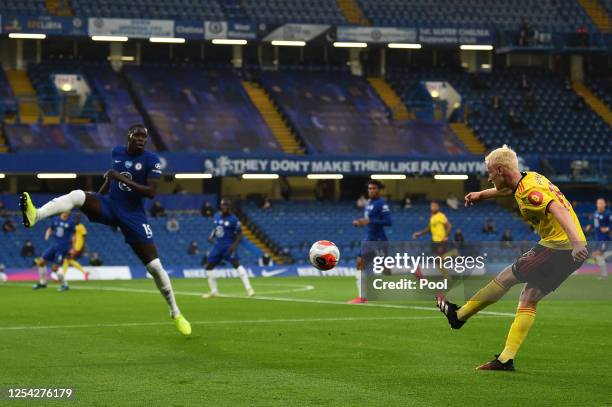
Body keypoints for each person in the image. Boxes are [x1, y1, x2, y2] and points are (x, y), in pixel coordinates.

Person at [19, 124, 191, 336]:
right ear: (129, 136)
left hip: (133, 217)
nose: (141, 139)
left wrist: (119, 177)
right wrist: (98, 196)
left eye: (144, 136)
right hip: (110, 204)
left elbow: (151, 192)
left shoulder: (151, 160)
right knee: (77, 195)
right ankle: (36, 215)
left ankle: (175, 311)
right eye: (137, 135)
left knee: (154, 267)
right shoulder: (117, 152)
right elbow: (111, 181)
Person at [436, 144, 588, 371]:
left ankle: (459, 316)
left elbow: (559, 209)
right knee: (529, 297)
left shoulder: (529, 192)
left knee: (506, 277)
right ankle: (506, 359)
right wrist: (481, 195)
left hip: (558, 247)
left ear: (499, 170)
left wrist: (576, 244)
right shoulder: (531, 178)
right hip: (568, 251)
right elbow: (509, 190)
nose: (488, 178)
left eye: (489, 172)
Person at [349, 180, 392, 304]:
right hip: (369, 240)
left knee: (385, 270)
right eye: (369, 188)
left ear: (378, 190)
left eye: (373, 188)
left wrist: (370, 221)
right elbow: (369, 220)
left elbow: (388, 222)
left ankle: (413, 270)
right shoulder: (368, 203)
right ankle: (363, 296)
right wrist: (360, 222)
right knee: (361, 264)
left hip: (378, 241)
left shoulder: (381, 203)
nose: (371, 190)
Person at [203, 199, 254, 298]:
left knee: (237, 265)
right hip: (218, 246)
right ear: (221, 206)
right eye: (223, 205)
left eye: (226, 205)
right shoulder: (217, 216)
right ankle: (214, 291)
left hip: (228, 246)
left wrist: (234, 245)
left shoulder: (233, 219)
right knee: (209, 267)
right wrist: (211, 235)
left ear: (229, 206)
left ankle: (249, 289)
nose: (224, 206)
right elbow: (217, 228)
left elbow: (240, 233)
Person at [33, 211, 75, 292]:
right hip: (54, 246)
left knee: (54, 268)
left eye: (69, 211)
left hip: (63, 247)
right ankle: (42, 283)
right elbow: (50, 228)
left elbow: (74, 235)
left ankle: (64, 285)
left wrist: (72, 248)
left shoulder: (70, 222)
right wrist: (47, 234)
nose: (67, 212)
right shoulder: (55, 219)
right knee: (41, 262)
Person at [586, 198, 611, 279]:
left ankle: (604, 275)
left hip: (605, 239)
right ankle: (604, 274)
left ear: (604, 204)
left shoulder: (608, 213)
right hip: (597, 239)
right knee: (599, 256)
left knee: (599, 255)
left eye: (601, 203)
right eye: (598, 203)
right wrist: (590, 226)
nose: (599, 204)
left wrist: (608, 228)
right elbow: (594, 223)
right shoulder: (595, 213)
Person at [61, 213, 89, 282]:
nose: (76, 220)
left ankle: (63, 276)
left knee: (67, 259)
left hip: (78, 246)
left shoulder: (81, 227)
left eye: (78, 218)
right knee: (67, 260)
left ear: (79, 219)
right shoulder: (74, 226)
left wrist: (83, 247)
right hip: (74, 246)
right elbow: (74, 236)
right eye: (75, 218)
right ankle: (84, 272)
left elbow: (84, 236)